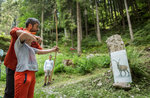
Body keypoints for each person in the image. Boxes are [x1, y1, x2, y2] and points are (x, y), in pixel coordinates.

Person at [4, 18, 42, 98]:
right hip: (12, 65)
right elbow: (13, 32)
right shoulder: (18, 29)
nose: (37, 29)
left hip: (23, 70)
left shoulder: (34, 40)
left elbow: (39, 50)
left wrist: (38, 40)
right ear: (30, 25)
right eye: (36, 26)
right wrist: (33, 36)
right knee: (10, 92)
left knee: (22, 93)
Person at [14, 31, 59, 98]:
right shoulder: (19, 45)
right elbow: (24, 34)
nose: (31, 40)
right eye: (29, 38)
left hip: (32, 74)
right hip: (23, 74)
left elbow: (41, 51)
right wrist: (34, 37)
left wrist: (53, 50)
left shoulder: (31, 49)